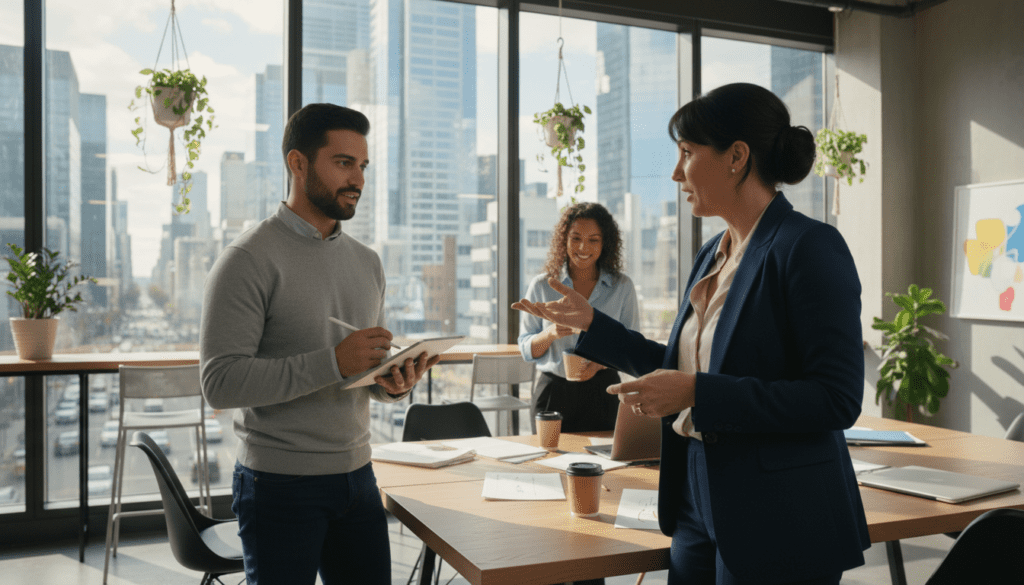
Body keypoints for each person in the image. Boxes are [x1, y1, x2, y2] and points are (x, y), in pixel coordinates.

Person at [512, 83, 870, 585]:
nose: (677, 172)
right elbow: (685, 366)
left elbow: (835, 398)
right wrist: (592, 324)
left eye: (686, 153)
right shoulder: (713, 253)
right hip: (696, 494)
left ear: (736, 157)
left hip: (778, 511)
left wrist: (698, 393)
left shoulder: (807, 247)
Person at [200, 103, 441, 585]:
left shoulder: (368, 262)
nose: (358, 179)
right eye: (344, 163)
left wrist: (392, 383)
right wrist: (333, 361)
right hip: (278, 486)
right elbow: (220, 384)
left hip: (358, 478)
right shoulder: (246, 259)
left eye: (364, 165)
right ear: (298, 163)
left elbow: (360, 372)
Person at [518, 202, 639, 432]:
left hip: (604, 390)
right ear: (564, 240)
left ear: (605, 243)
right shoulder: (543, 285)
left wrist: (599, 364)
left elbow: (633, 345)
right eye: (575, 238)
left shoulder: (622, 287)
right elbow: (526, 349)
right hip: (553, 392)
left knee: (607, 465)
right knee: (548, 463)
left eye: (593, 239)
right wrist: (550, 333)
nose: (583, 247)